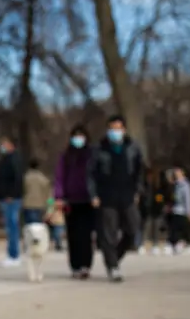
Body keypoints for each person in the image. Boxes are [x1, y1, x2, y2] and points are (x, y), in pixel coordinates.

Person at [88, 115, 144, 282]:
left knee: (133, 228)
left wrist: (138, 191)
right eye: (112, 129)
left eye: (118, 129)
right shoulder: (99, 149)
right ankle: (112, 266)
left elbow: (139, 171)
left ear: (124, 130)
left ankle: (115, 257)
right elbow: (91, 174)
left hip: (127, 193)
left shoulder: (133, 147)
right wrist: (94, 195)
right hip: (107, 195)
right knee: (108, 233)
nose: (115, 132)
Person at [54, 125, 94, 279]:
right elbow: (59, 177)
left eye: (81, 136)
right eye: (75, 136)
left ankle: (86, 264)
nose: (78, 139)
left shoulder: (91, 155)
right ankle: (75, 265)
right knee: (73, 234)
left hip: (88, 199)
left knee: (86, 234)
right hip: (70, 199)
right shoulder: (65, 156)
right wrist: (58, 196)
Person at [0, 136, 24, 267]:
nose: (2, 146)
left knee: (12, 226)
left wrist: (11, 194)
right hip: (4, 196)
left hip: (11, 198)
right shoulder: (5, 159)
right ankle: (11, 254)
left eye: (4, 144)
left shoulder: (14, 159)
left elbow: (17, 178)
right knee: (9, 227)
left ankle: (14, 255)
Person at [169, 167, 190, 254]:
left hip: (182, 210)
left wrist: (189, 212)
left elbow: (188, 199)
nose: (176, 175)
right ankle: (175, 244)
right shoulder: (175, 185)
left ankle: (188, 243)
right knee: (175, 228)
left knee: (184, 229)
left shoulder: (185, 185)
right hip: (176, 210)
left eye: (178, 173)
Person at [22, 159, 50, 225]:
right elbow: (47, 193)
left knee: (28, 226)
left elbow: (23, 191)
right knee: (37, 226)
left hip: (28, 204)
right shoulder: (43, 178)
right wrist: (49, 205)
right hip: (40, 205)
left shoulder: (26, 177)